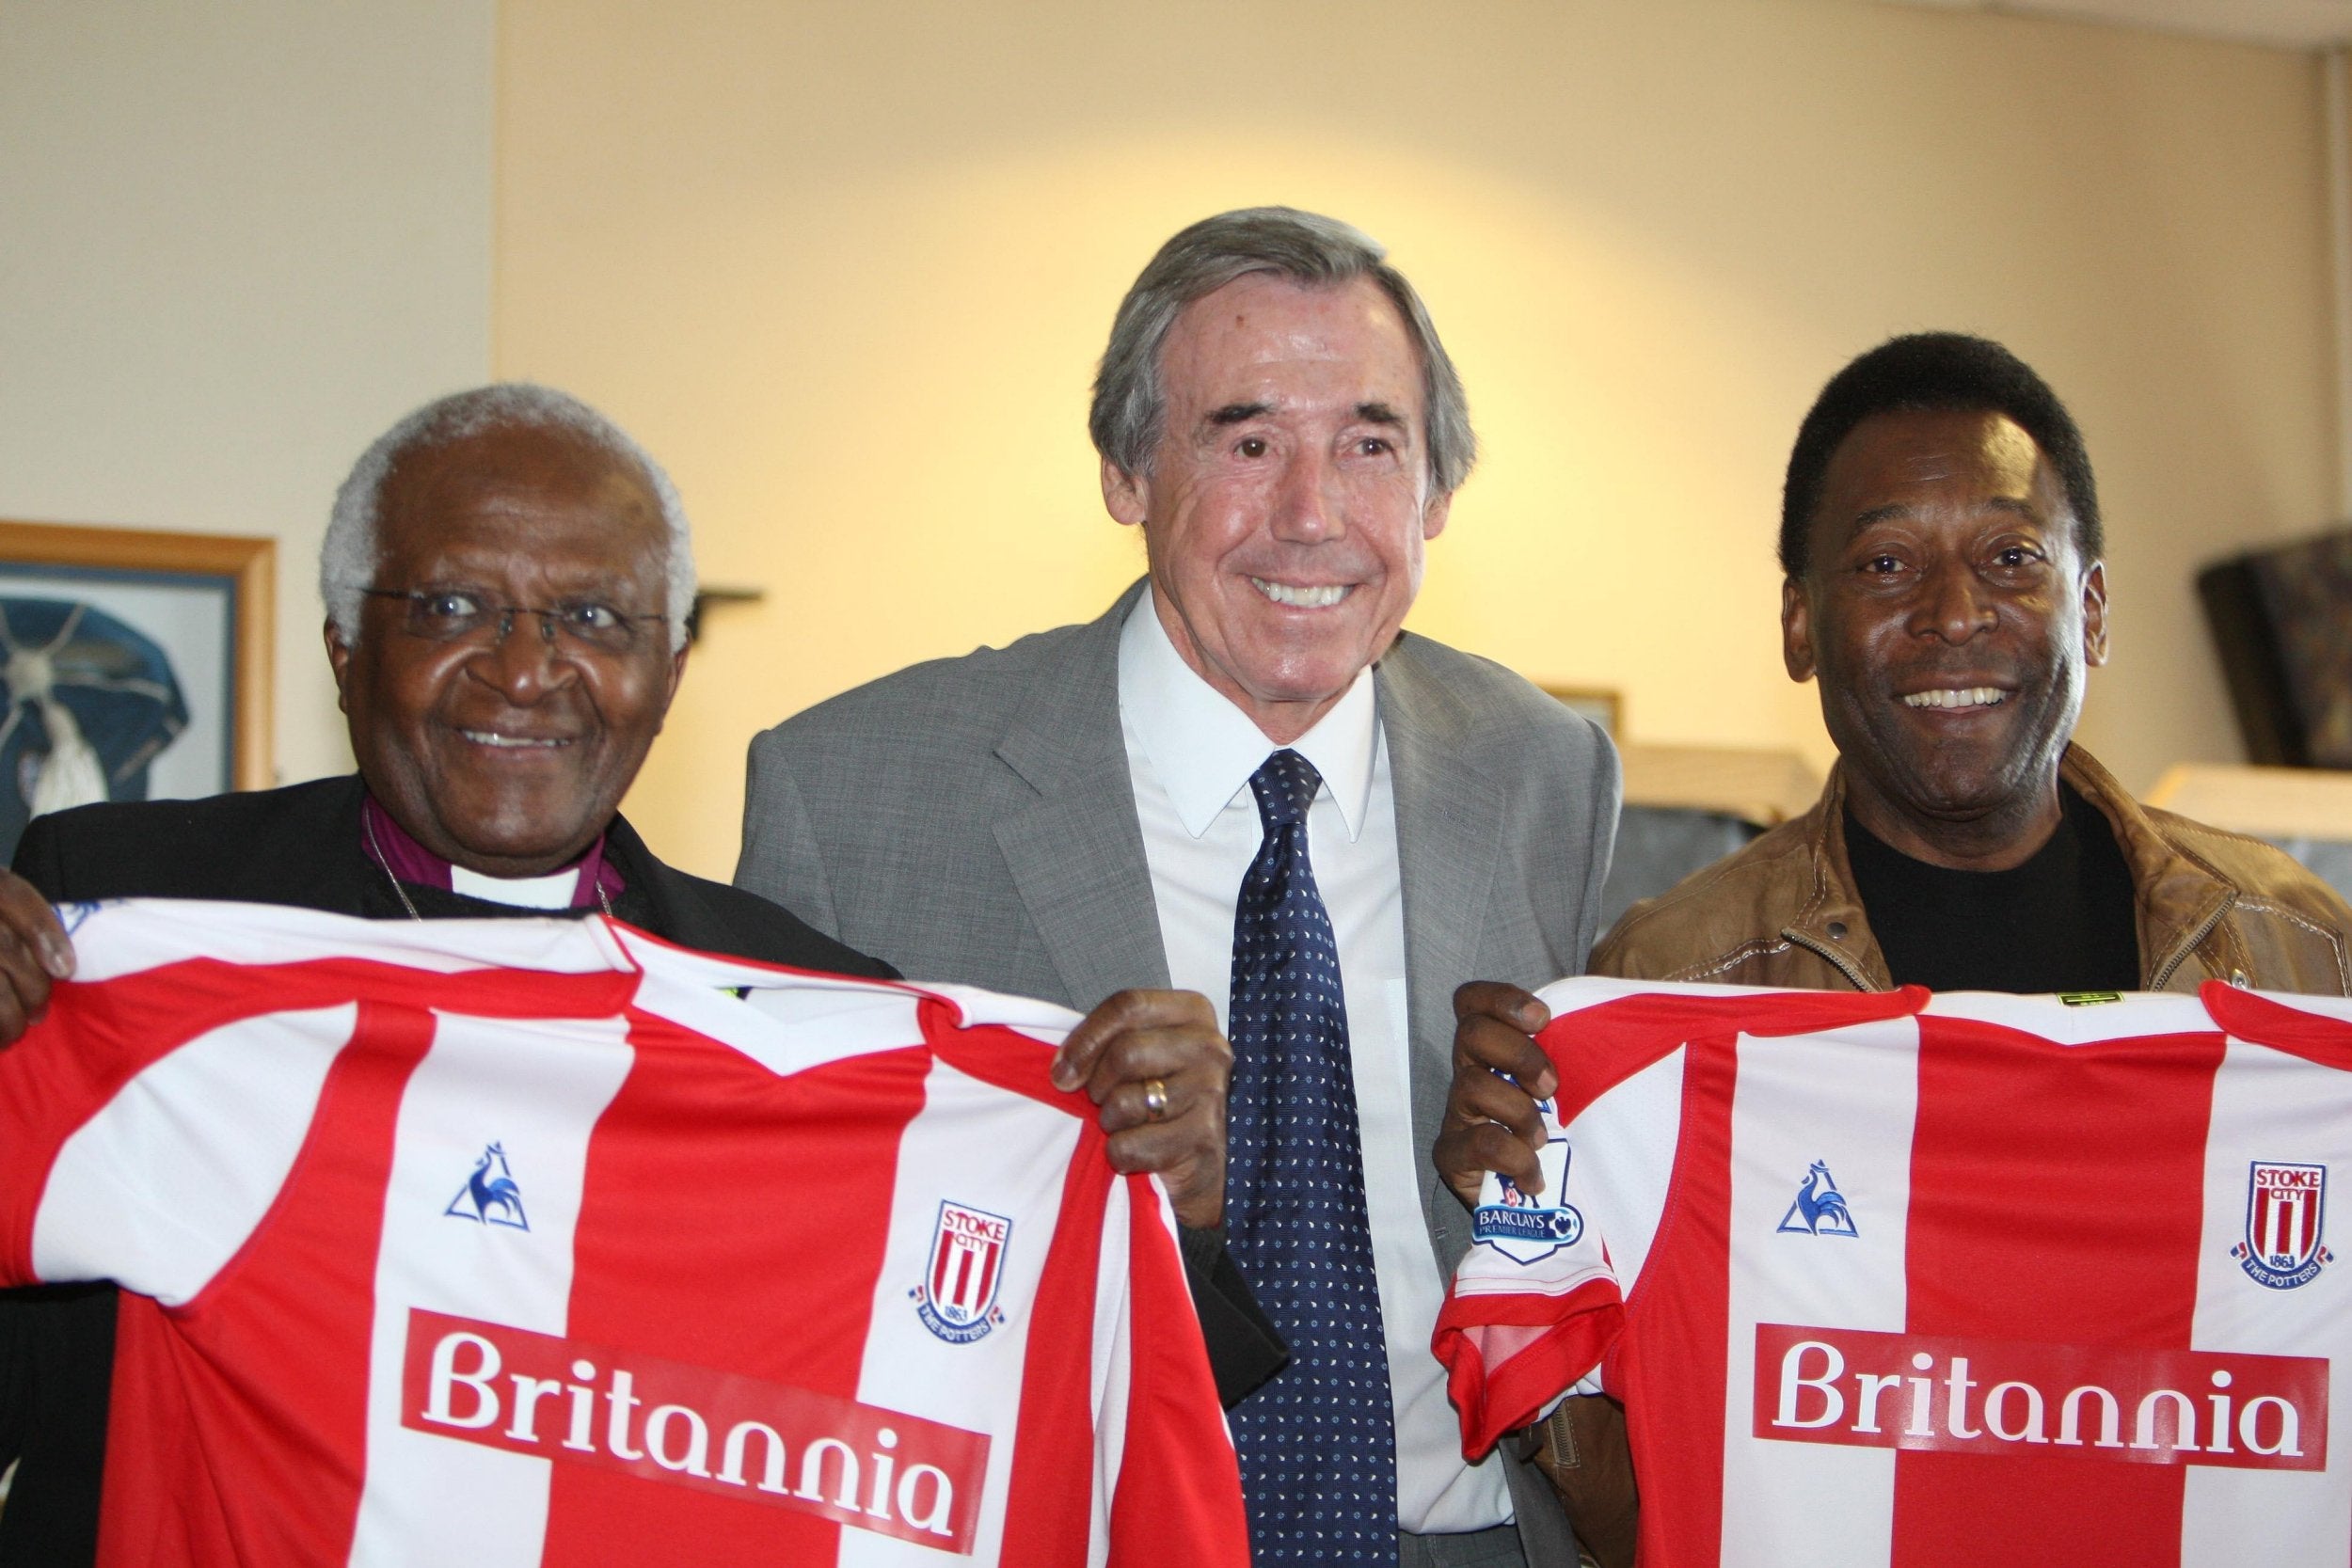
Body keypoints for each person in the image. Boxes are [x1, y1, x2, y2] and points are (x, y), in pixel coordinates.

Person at [0, 383, 1235, 1565]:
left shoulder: (805, 1005)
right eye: (450, 607)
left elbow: (1049, 1405)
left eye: (593, 618)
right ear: (342, 648)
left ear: (670, 677)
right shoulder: (134, 921)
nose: (526, 670)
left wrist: (1161, 1204)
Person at [737, 207, 1620, 1567]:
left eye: (1371, 445)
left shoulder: (1546, 775)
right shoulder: (853, 794)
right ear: (1126, 468)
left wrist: (1541, 1185)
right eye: (1247, 441)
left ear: (1438, 494)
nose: (1312, 515)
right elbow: (781, 1285)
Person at [1436, 331, 2352, 1567]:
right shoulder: (1672, 993)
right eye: (1885, 562)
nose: (1955, 613)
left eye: (2012, 555)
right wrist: (1533, 1217)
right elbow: (1632, 1511)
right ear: (1801, 625)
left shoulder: (2306, 961)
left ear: (2090, 607)